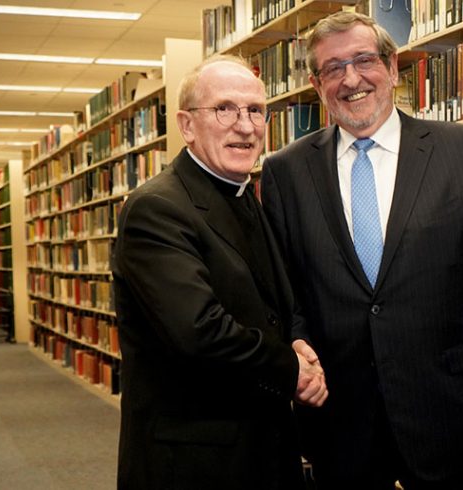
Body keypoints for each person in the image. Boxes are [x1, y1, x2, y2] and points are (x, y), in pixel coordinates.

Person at [260, 11, 463, 490]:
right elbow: (286, 295)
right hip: (340, 427)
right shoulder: (284, 172)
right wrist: (298, 351)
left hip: (451, 419)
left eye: (364, 60)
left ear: (392, 68)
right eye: (333, 68)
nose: (351, 79)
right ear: (315, 83)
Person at [112, 54, 327, 490]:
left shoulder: (247, 194)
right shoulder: (157, 208)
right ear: (187, 125)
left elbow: (270, 302)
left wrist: (297, 338)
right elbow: (198, 331)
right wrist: (292, 368)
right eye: (225, 109)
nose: (245, 126)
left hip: (261, 449)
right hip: (194, 462)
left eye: (255, 111)